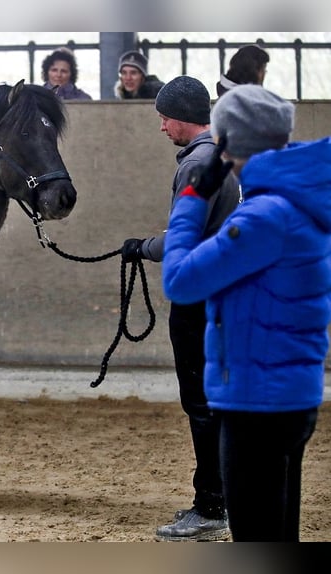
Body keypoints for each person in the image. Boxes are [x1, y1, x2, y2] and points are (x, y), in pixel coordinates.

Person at [163, 84, 330, 542]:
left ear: (229, 142)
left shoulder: (263, 218)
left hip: (258, 403)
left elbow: (179, 278)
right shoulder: (293, 203)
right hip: (286, 395)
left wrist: (193, 198)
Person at [121, 76, 241, 541]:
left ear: (181, 117)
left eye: (163, 117)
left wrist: (141, 247)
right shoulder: (227, 155)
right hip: (227, 292)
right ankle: (225, 495)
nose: (161, 127)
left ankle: (211, 505)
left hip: (199, 295)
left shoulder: (197, 163)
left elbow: (184, 238)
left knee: (200, 402)